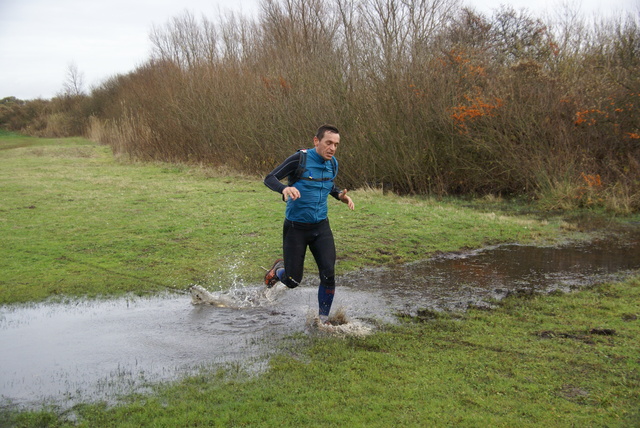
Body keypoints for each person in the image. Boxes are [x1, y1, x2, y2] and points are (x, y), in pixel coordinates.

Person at [263, 124, 355, 324]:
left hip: (321, 227)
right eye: (328, 143)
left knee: (329, 274)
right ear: (316, 141)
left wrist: (340, 196)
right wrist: (284, 190)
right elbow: (269, 178)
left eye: (336, 145)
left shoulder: (333, 163)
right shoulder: (300, 159)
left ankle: (323, 320)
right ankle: (278, 270)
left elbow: (328, 184)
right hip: (296, 228)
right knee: (293, 281)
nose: (332, 148)